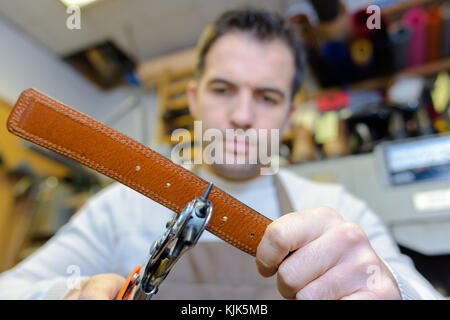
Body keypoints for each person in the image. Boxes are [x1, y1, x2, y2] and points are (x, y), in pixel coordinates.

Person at [0, 8, 443, 300]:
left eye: (267, 97)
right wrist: (67, 293)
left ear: (290, 116)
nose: (242, 115)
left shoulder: (341, 215)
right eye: (223, 89)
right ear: (193, 99)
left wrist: (390, 289)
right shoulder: (120, 207)